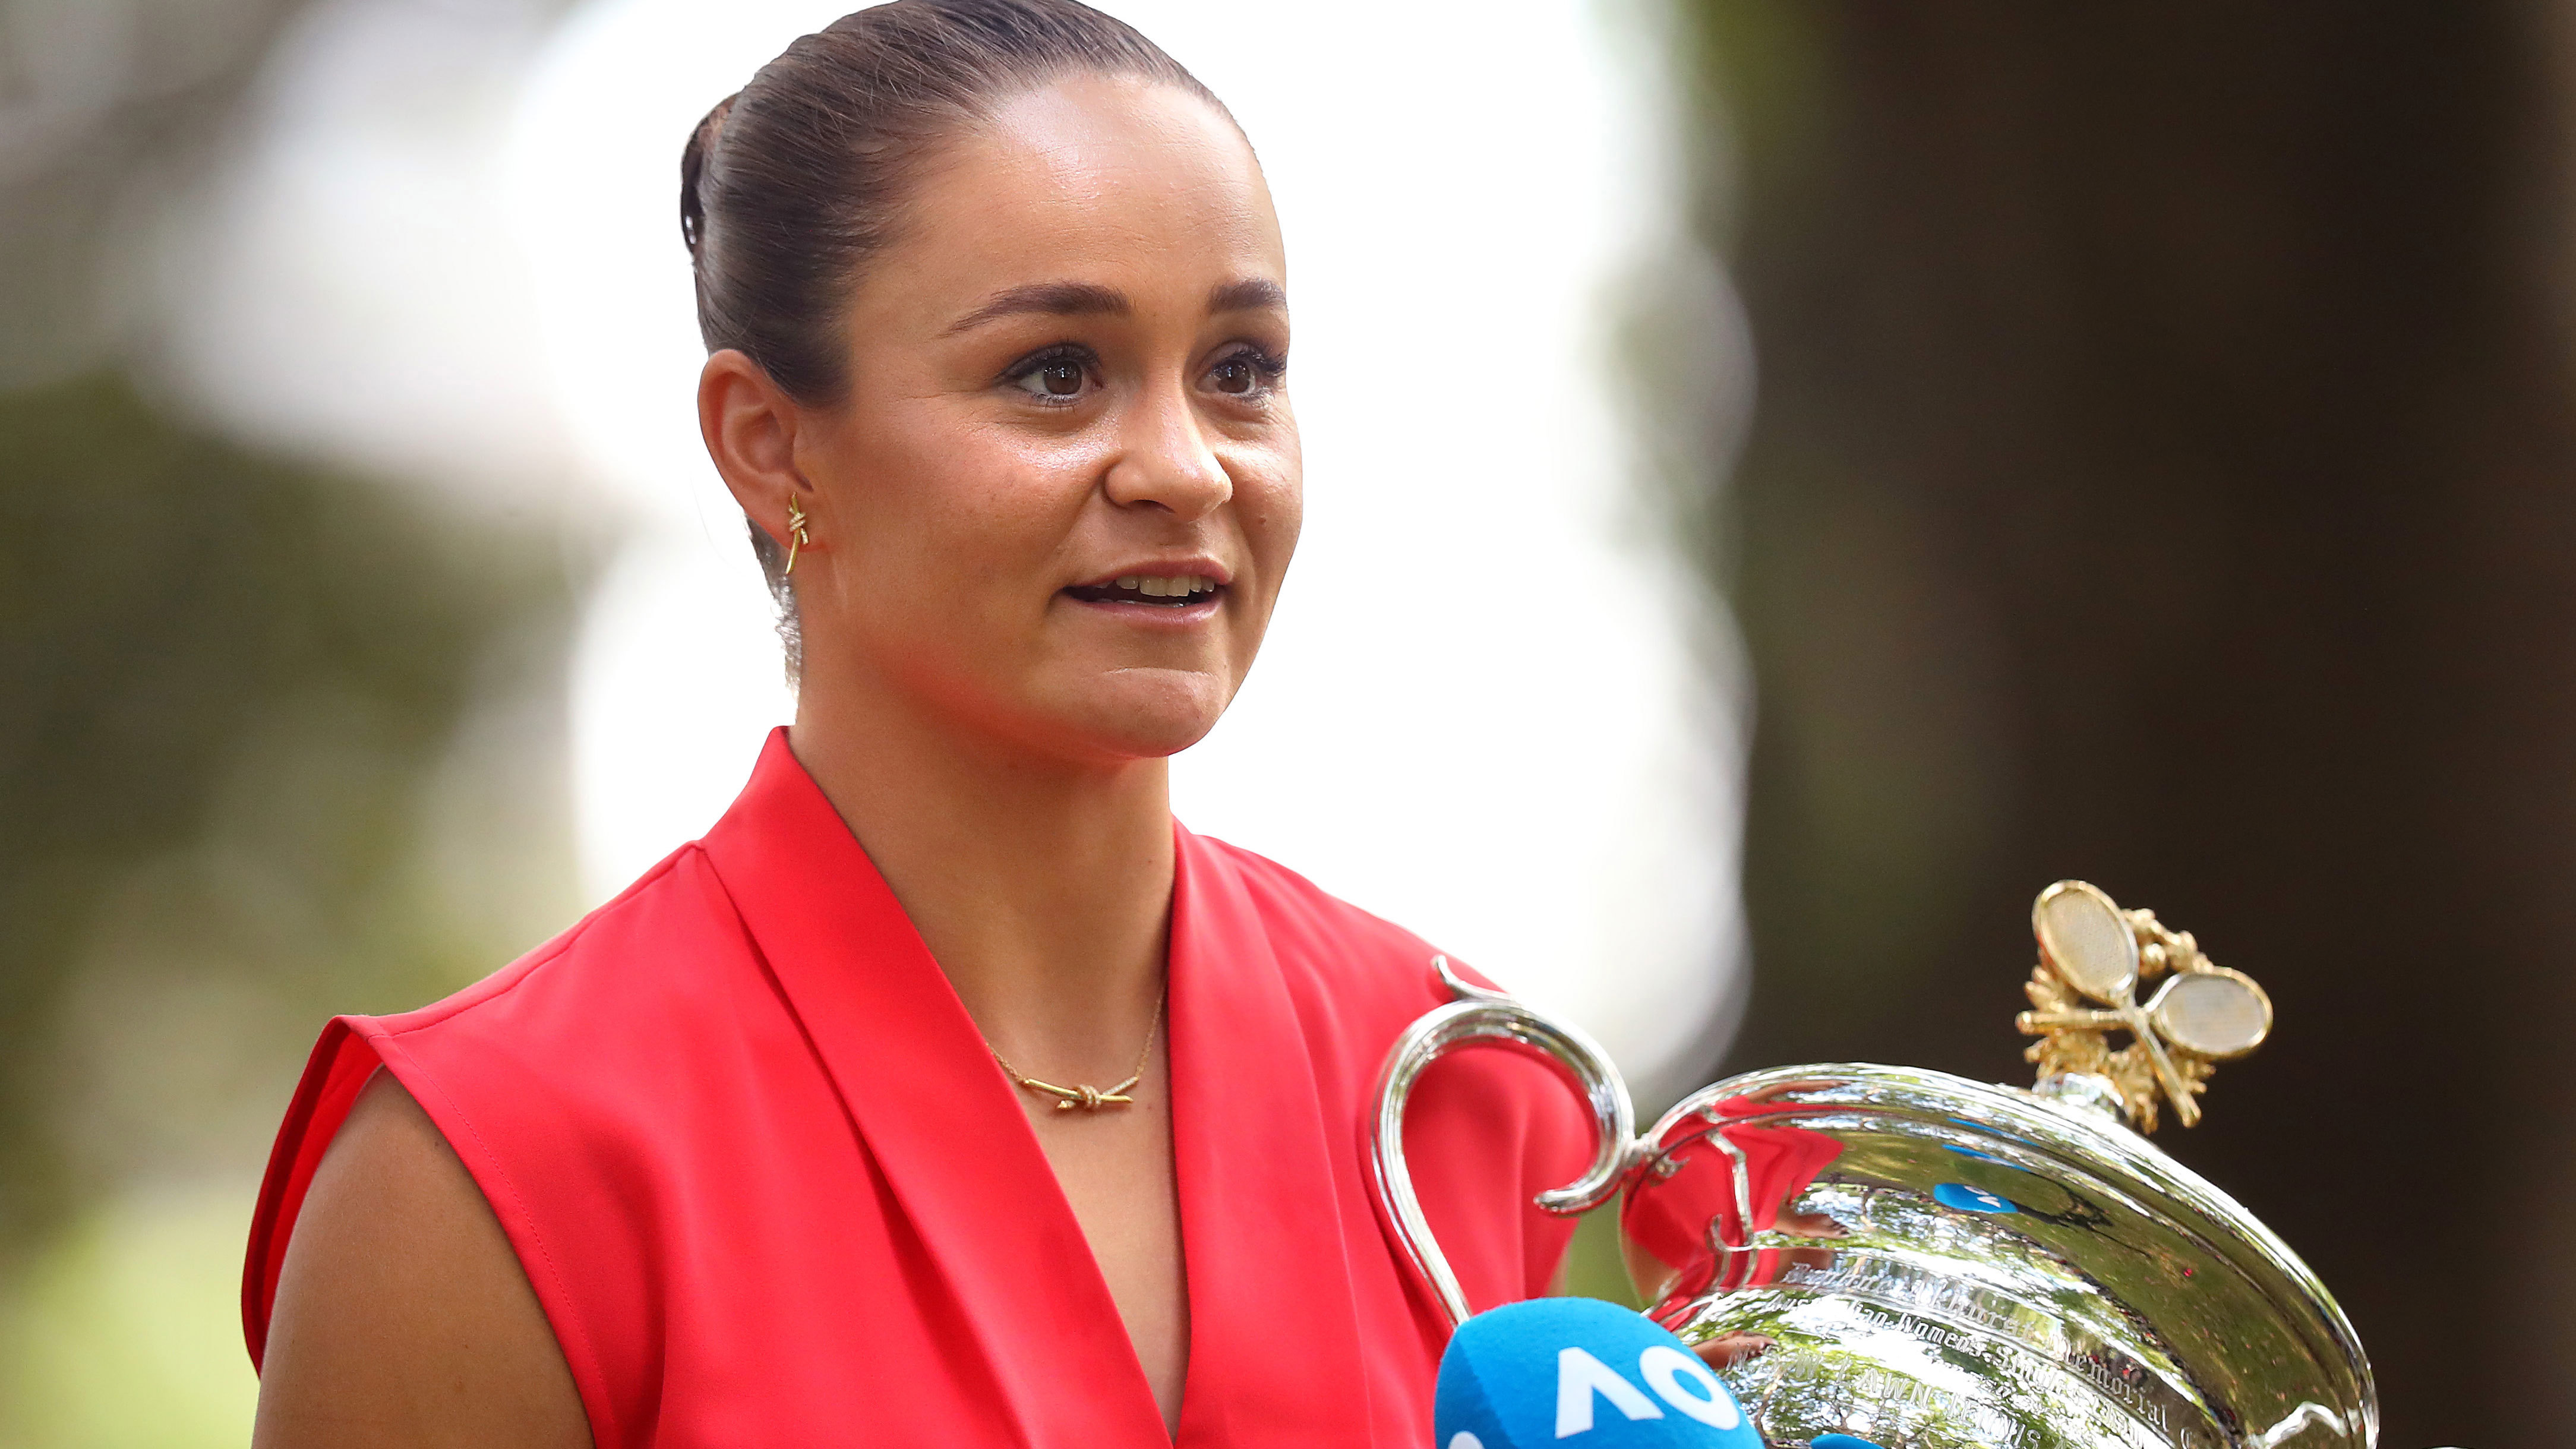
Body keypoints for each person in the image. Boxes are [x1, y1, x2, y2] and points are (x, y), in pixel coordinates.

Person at [241, 2, 1590, 1444]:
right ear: (772, 445)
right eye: (1054, 371)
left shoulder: (1466, 1090)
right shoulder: (494, 1164)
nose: (1185, 465)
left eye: (1239, 369)